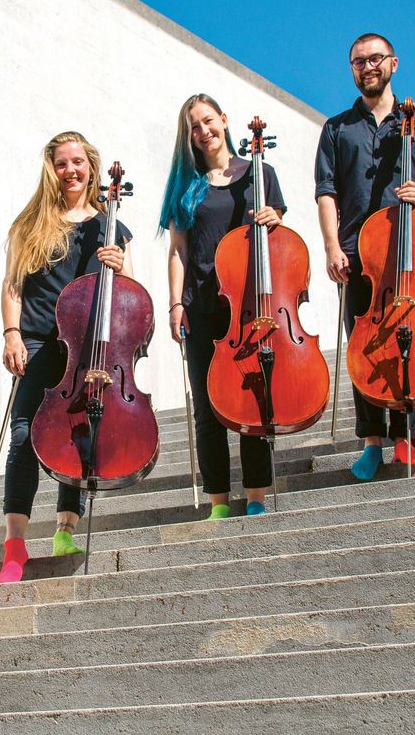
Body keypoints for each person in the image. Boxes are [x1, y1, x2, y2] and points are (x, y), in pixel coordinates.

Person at [314, 34, 415, 481]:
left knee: (410, 339)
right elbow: (326, 192)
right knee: (365, 345)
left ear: (393, 62)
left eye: (375, 59)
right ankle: (371, 442)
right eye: (358, 62)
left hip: (409, 252)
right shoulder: (337, 128)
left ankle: (406, 440)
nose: (367, 67)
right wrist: (333, 246)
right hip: (358, 253)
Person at [0, 132, 131, 582]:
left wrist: (119, 264)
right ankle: (14, 544)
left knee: (77, 432)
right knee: (23, 435)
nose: (70, 170)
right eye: (61, 163)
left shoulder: (109, 224)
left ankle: (64, 528)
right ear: (51, 169)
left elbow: (129, 296)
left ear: (91, 166)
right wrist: (11, 333)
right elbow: (12, 285)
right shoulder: (30, 223)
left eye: (77, 162)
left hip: (86, 345)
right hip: (36, 340)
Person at [162, 94, 286, 519]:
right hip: (201, 306)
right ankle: (218, 501)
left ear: (224, 120)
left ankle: (255, 496)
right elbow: (178, 250)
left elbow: (277, 239)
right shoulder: (185, 185)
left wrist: (274, 219)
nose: (203, 131)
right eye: (194, 127)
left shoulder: (259, 172)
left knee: (252, 400)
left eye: (208, 121)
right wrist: (175, 303)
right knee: (207, 408)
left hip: (250, 308)